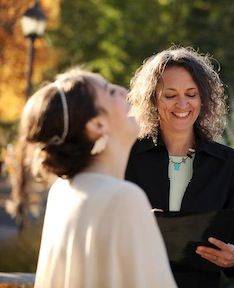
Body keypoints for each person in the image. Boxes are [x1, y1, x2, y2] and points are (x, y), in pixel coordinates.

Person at [24, 69, 176, 288]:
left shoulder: (62, 191)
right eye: (110, 91)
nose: (124, 91)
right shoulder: (123, 198)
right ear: (97, 125)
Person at [126, 47, 234, 287]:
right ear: (153, 99)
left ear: (203, 99)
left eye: (191, 94)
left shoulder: (226, 162)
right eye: (170, 95)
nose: (182, 104)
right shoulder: (129, 156)